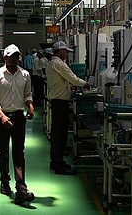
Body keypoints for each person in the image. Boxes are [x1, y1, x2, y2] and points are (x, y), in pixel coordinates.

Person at [0, 44, 35, 206]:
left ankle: (21, 186)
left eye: (16, 56)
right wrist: (1, 116)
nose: (14, 59)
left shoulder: (25, 75)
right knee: (3, 152)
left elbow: (27, 94)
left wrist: (30, 106)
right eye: (11, 56)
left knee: (18, 152)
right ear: (5, 58)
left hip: (18, 118)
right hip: (2, 118)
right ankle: (4, 181)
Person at [46, 40, 91, 175]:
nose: (66, 54)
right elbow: (73, 78)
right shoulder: (59, 63)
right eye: (65, 51)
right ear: (60, 52)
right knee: (60, 133)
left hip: (57, 101)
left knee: (57, 133)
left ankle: (55, 161)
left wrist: (67, 86)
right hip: (60, 103)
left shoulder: (52, 63)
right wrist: (86, 84)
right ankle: (59, 165)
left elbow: (62, 80)